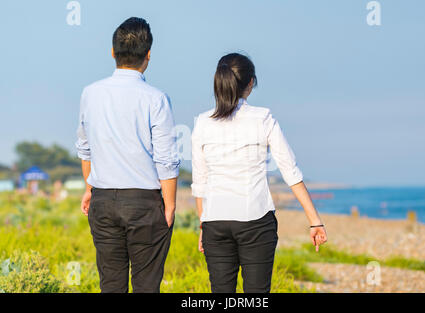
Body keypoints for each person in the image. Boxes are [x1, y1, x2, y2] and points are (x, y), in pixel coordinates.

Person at [191, 53, 327, 293]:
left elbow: (200, 182)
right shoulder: (263, 118)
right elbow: (290, 170)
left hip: (215, 223)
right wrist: (314, 221)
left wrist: (204, 225)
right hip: (255, 219)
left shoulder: (202, 122)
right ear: (250, 83)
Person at [75, 17, 179, 293]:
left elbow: (84, 147)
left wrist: (89, 188)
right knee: (146, 285)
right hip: (145, 202)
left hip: (103, 199)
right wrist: (169, 205)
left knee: (110, 284)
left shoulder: (90, 93)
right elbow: (166, 158)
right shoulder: (156, 98)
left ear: (112, 52)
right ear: (148, 55)